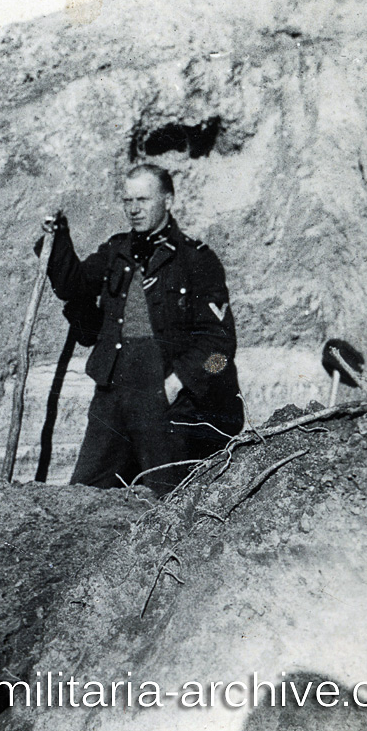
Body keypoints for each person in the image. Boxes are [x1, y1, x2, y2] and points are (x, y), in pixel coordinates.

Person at [41, 163, 244, 495]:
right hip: (112, 394)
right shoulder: (115, 252)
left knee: (169, 500)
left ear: (169, 200)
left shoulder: (197, 261)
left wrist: (181, 382)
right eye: (127, 201)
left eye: (143, 200)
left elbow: (221, 349)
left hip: (166, 399)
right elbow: (71, 286)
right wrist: (58, 238)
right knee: (83, 494)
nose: (134, 209)